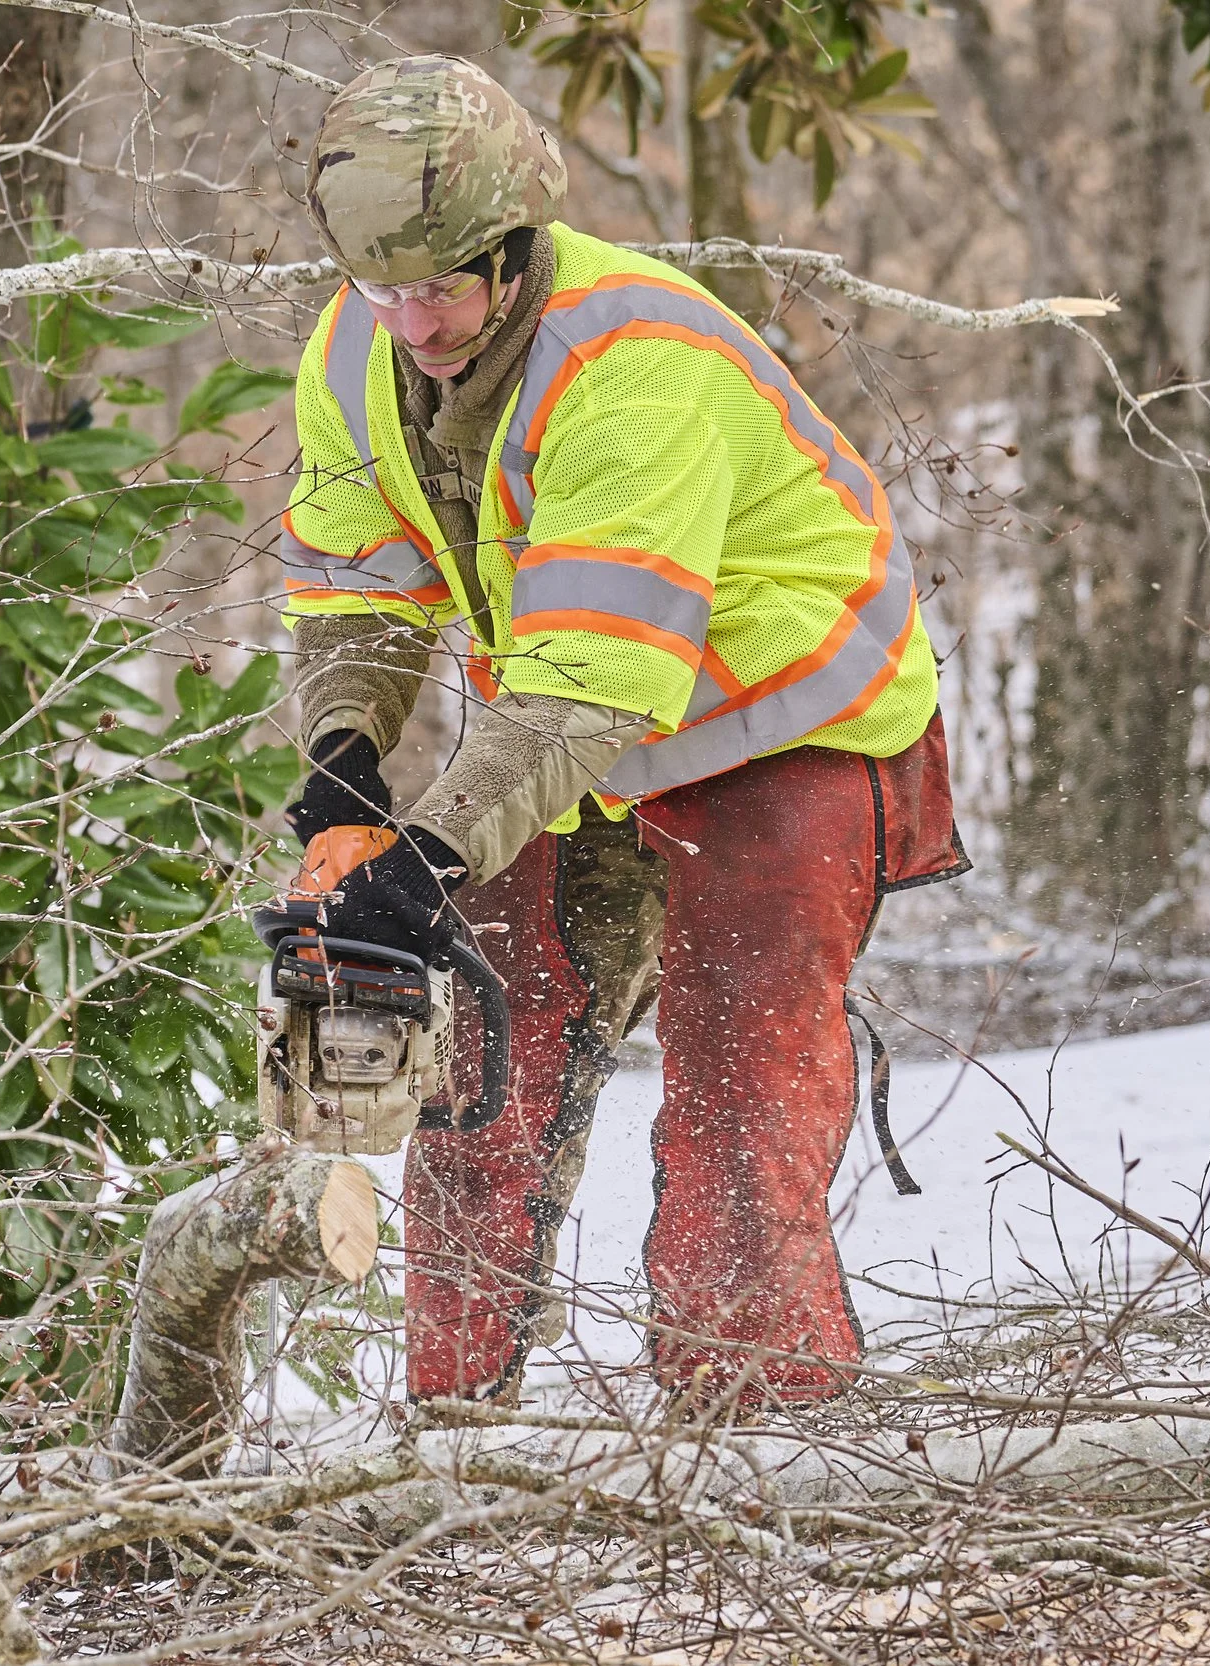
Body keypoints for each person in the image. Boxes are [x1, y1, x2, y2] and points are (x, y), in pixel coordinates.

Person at [276, 55, 966, 1410]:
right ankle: (452, 1427)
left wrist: (427, 850)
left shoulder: (632, 362)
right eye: (384, 288)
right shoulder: (358, 346)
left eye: (442, 288)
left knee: (737, 1089)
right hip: (580, 736)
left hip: (792, 730)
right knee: (476, 1065)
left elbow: (590, 682)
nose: (414, 323)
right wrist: (345, 758)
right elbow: (358, 577)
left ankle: (761, 1428)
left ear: (517, 245)